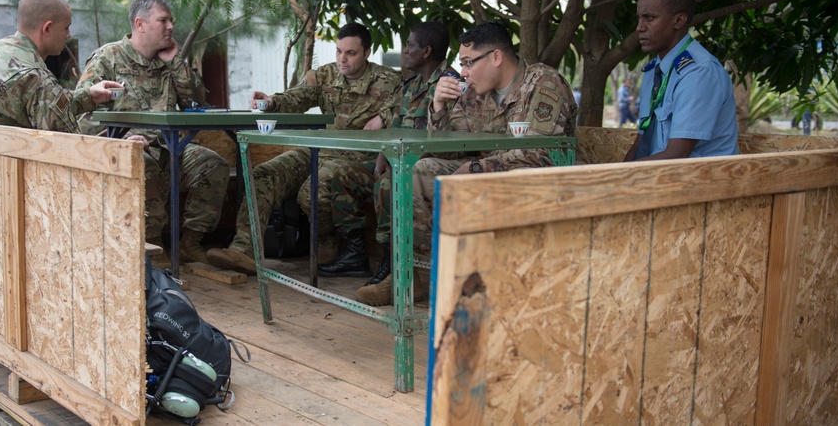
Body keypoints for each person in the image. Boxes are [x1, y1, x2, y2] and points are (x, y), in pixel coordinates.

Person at [356, 21, 578, 306]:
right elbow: (448, 151)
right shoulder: (473, 92)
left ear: (496, 57)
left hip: (538, 178)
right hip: (483, 173)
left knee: (502, 178)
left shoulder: (543, 83)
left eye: (468, 63)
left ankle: (491, 287)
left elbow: (541, 152)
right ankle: (415, 276)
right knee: (419, 171)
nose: (462, 72)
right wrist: (437, 107)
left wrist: (479, 168)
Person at [206, 22, 401, 275]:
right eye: (338, 51)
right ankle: (244, 250)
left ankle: (327, 240)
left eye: (350, 53)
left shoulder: (388, 80)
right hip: (321, 147)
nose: (342, 59)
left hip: (357, 156)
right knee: (263, 174)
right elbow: (297, 97)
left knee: (311, 191)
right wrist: (272, 101)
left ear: (367, 52)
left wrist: (386, 117)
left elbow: (409, 108)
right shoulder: (324, 75)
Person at [77, 0, 229, 264]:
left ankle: (190, 243)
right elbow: (81, 113)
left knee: (212, 164)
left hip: (169, 147)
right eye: (163, 20)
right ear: (140, 24)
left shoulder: (169, 63)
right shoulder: (107, 59)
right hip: (123, 152)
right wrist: (122, 139)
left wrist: (177, 64)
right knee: (144, 164)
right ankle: (152, 253)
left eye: (171, 20)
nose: (170, 26)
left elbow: (196, 101)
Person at [327, 21, 455, 282]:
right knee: (343, 175)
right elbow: (397, 123)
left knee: (387, 185)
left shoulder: (449, 85)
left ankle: (391, 260)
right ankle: (355, 254)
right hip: (396, 159)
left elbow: (447, 136)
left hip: (424, 167)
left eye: (410, 45)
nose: (405, 50)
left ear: (427, 51)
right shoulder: (411, 84)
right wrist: (382, 155)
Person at [0, 0, 121, 131]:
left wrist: (88, 95)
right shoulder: (35, 77)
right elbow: (69, 144)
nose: (69, 35)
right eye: (66, 28)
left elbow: (45, 102)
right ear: (48, 29)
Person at [623, 0, 739, 161]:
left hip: (698, 183)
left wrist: (617, 176)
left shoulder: (698, 73)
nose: (639, 27)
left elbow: (677, 155)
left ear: (678, 21)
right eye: (638, 18)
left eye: (649, 18)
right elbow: (640, 144)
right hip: (659, 177)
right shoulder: (654, 70)